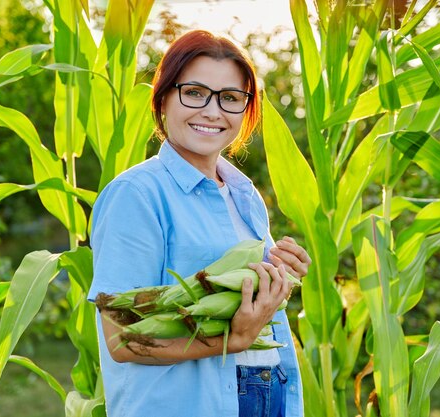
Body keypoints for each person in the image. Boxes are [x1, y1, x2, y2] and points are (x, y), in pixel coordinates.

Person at [88, 30, 311, 417]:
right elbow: (122, 339)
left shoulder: (243, 194)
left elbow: (238, 305)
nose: (212, 111)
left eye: (230, 98)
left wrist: (281, 278)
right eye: (194, 92)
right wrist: (231, 340)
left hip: (268, 391)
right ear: (163, 99)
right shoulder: (137, 195)